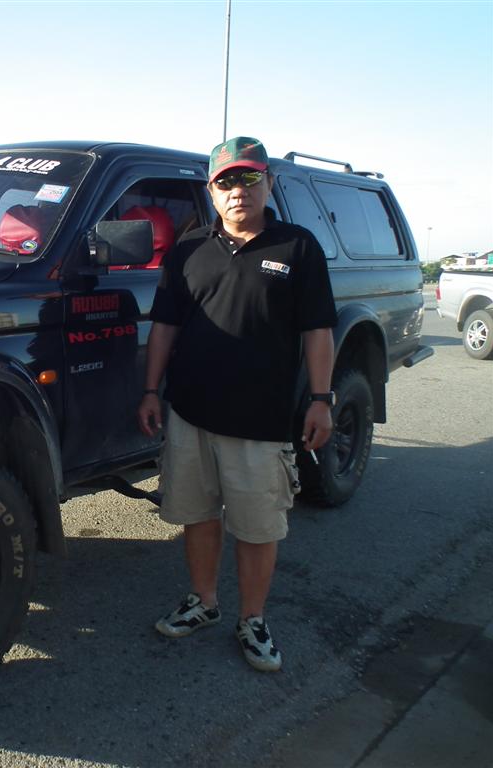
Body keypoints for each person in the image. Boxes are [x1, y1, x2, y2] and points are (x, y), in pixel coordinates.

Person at [136, 136, 337, 672]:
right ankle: (203, 602)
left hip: (260, 421)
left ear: (269, 182)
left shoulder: (297, 247)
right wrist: (151, 391)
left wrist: (321, 399)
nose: (237, 190)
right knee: (198, 516)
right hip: (190, 414)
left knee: (256, 527)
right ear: (211, 191)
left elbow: (318, 330)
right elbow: (165, 327)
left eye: (248, 178)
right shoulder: (188, 250)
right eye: (225, 181)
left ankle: (252, 619)